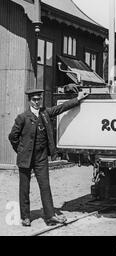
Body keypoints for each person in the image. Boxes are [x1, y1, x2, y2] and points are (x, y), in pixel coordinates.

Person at [8, 88, 89, 227]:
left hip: (41, 157)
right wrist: (21, 151)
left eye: (39, 99)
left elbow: (61, 108)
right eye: (34, 99)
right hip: (25, 158)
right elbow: (12, 137)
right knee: (24, 188)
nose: (37, 102)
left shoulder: (45, 113)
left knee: (45, 186)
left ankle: (50, 215)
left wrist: (78, 98)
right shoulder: (22, 117)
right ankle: (25, 217)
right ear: (29, 101)